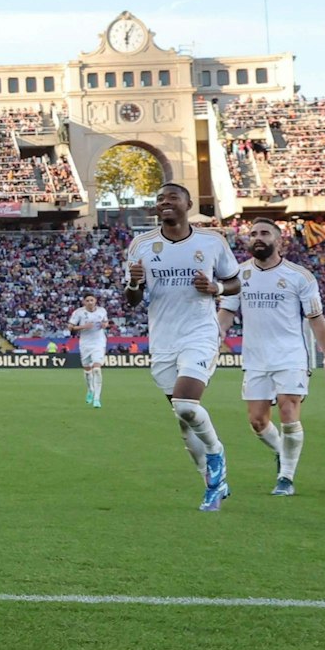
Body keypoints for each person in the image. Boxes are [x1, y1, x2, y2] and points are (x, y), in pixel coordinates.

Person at [124, 182, 242, 511]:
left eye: (172, 197)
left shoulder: (212, 242)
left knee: (187, 404)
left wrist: (216, 286)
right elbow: (131, 300)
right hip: (163, 338)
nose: (165, 202)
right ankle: (212, 482)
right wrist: (135, 282)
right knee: (182, 417)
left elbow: (235, 281)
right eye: (160, 199)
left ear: (188, 204)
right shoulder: (141, 245)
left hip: (199, 333)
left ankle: (217, 454)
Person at [216, 219, 325, 496]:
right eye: (253, 234)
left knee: (287, 411)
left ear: (279, 241)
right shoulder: (239, 275)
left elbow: (316, 320)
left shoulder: (300, 276)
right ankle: (283, 452)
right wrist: (214, 337)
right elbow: (226, 314)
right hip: (255, 358)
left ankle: (286, 477)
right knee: (258, 421)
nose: (257, 238)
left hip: (291, 355)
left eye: (264, 233)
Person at [67, 293, 109, 408]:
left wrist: (105, 325)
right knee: (87, 369)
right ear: (84, 302)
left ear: (95, 301)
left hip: (99, 343)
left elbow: (106, 322)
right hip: (85, 344)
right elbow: (70, 327)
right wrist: (83, 327)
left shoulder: (102, 311)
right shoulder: (78, 313)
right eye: (87, 300)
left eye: (92, 300)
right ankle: (90, 389)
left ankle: (97, 398)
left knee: (97, 369)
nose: (90, 302)